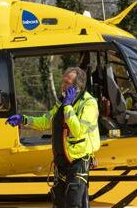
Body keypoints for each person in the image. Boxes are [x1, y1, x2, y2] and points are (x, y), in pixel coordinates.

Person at [6, 67, 100, 208]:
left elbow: (78, 130)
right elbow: (46, 121)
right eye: (63, 81)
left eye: (67, 83)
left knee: (73, 202)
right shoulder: (62, 101)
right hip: (61, 159)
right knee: (58, 200)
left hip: (78, 160)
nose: (62, 85)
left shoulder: (89, 104)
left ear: (77, 86)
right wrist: (23, 120)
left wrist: (68, 107)